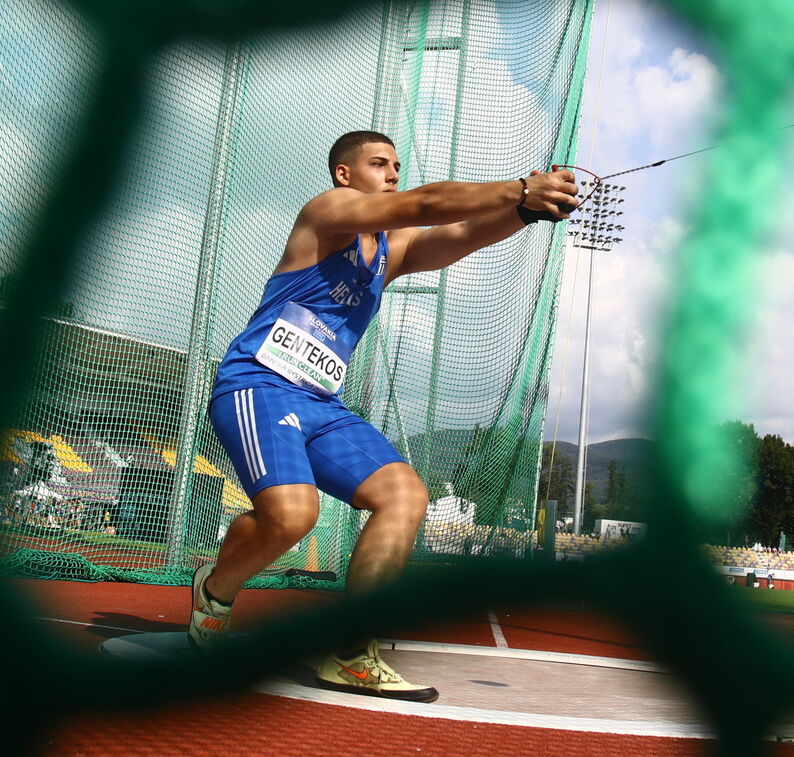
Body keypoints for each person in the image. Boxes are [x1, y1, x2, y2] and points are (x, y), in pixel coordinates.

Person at [186, 131, 578, 703]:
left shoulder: (386, 251)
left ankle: (350, 653)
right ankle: (215, 591)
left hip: (322, 402)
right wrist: (520, 185)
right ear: (345, 174)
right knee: (293, 517)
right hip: (259, 385)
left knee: (404, 496)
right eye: (379, 164)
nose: (392, 173)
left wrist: (524, 210)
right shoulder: (328, 212)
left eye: (397, 165)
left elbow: (461, 235)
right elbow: (423, 204)